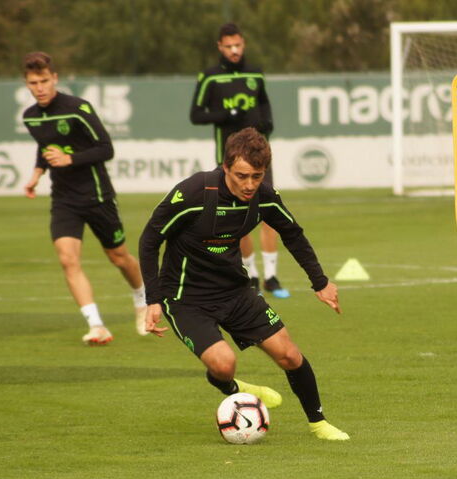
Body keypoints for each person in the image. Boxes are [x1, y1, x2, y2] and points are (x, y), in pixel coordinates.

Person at [139, 128, 349, 441]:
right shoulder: (194, 193)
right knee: (224, 365)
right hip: (185, 298)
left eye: (257, 176)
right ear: (225, 168)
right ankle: (235, 388)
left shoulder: (263, 196)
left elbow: (293, 233)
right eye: (242, 176)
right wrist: (153, 298)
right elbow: (149, 239)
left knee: (290, 355)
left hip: (234, 291)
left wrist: (320, 282)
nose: (250, 184)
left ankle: (318, 423)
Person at [21, 51, 147, 345]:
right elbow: (45, 146)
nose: (39, 87)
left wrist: (70, 159)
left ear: (54, 78)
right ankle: (97, 325)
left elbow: (106, 148)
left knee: (119, 257)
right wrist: (37, 173)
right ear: (26, 84)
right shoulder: (30, 117)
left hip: (97, 195)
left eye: (43, 80)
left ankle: (142, 299)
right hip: (64, 199)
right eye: (32, 82)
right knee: (68, 259)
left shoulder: (77, 108)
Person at [189, 22, 290, 299]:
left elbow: (264, 101)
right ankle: (251, 275)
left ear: (243, 44)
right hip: (231, 160)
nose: (234, 51)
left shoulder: (255, 74)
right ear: (220, 47)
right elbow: (196, 115)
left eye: (238, 45)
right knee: (238, 217)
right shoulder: (210, 77)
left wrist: (267, 122)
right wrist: (223, 116)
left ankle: (271, 276)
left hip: (258, 157)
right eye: (228, 46)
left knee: (269, 213)